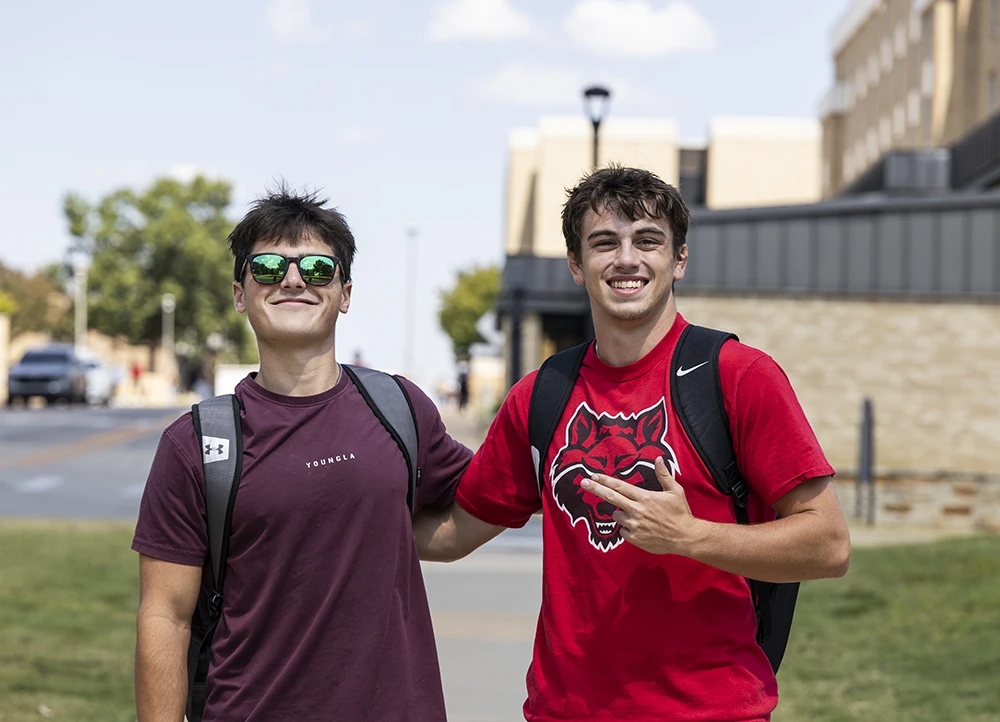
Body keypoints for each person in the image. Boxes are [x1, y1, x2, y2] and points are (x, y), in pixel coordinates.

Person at [414, 165, 851, 722]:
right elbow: (456, 532)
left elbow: (829, 544)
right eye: (604, 243)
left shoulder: (739, 377)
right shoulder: (540, 396)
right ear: (577, 265)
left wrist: (689, 535)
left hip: (710, 711)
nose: (627, 259)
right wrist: (323, 522)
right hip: (564, 712)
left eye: (648, 241)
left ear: (679, 260)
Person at [132, 187, 472, 722]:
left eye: (317, 267)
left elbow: (466, 514)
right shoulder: (195, 444)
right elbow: (165, 617)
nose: (293, 280)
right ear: (241, 293)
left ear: (345, 292)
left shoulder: (400, 408)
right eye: (267, 267)